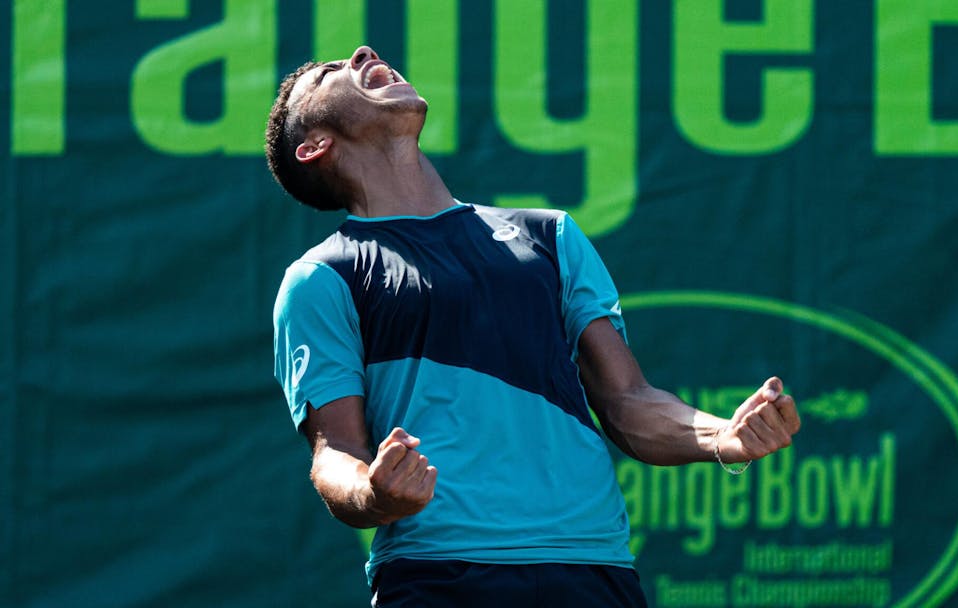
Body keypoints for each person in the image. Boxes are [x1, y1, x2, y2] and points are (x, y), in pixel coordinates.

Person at [267, 45, 801, 607]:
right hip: (438, 575)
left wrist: (725, 435)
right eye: (328, 74)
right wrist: (377, 495)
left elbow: (628, 402)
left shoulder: (551, 237)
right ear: (314, 147)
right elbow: (335, 454)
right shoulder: (320, 279)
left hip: (594, 568)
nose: (362, 53)